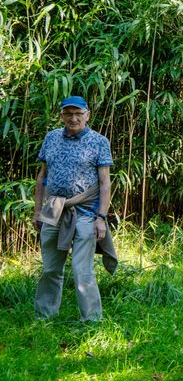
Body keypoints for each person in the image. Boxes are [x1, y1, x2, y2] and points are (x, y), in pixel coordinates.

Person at [33, 95, 116, 322]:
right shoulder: (51, 139)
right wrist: (37, 211)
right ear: (61, 116)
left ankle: (91, 321)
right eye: (68, 114)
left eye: (78, 113)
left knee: (83, 271)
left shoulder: (99, 141)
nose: (73, 118)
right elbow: (42, 177)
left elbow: (105, 182)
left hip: (86, 212)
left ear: (87, 115)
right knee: (50, 268)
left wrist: (101, 217)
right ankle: (44, 316)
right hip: (53, 209)